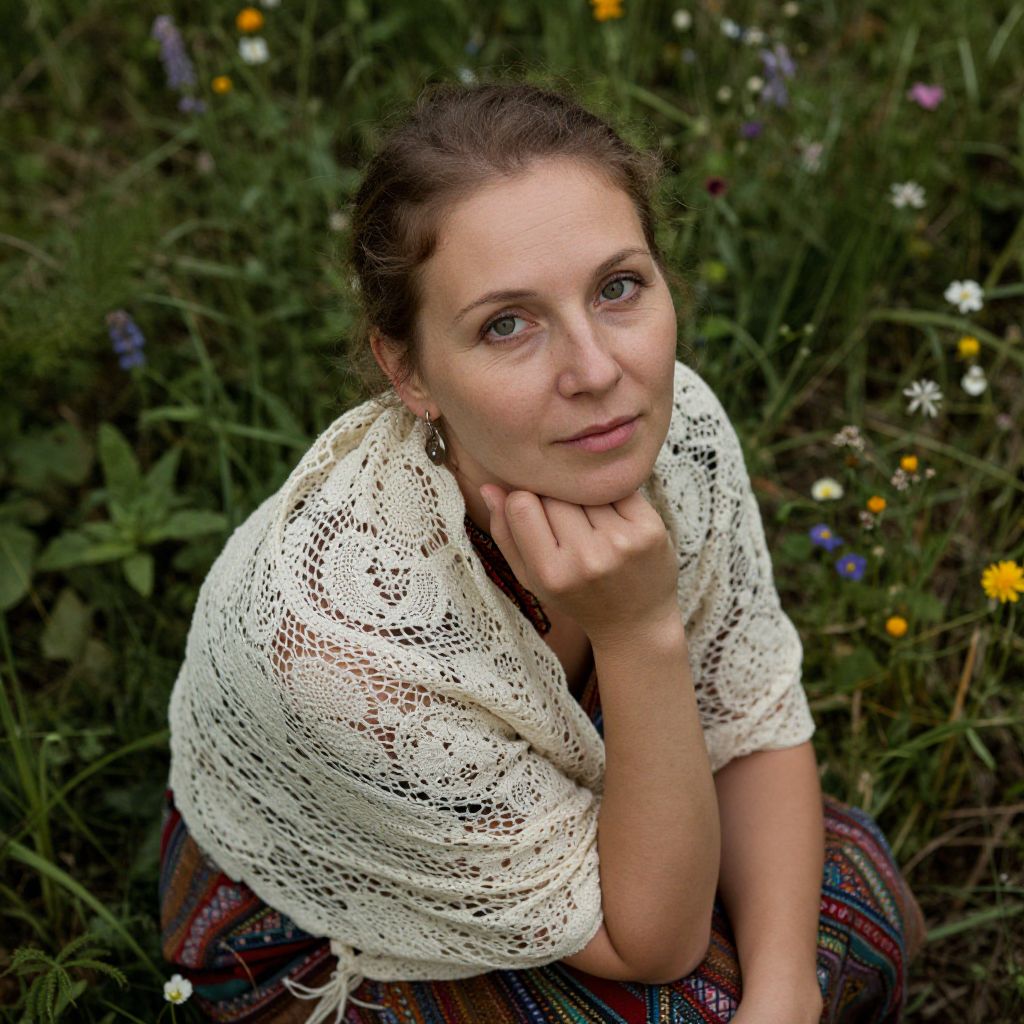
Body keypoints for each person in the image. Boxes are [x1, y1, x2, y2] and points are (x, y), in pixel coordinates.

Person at [159, 80, 925, 1024]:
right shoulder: (343, 644)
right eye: (506, 324)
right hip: (342, 925)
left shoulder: (674, 424)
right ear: (408, 370)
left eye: (618, 288)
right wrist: (641, 630)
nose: (599, 372)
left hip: (610, 815)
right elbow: (657, 945)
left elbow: (752, 727)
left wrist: (786, 992)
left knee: (854, 906)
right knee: (691, 1005)